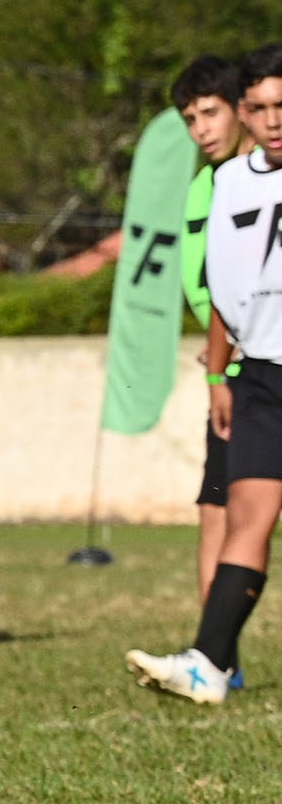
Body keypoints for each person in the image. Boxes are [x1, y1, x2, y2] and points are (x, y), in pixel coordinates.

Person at [131, 42, 282, 705]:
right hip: (260, 377)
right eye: (260, 107)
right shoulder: (231, 183)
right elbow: (223, 286)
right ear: (246, 112)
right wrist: (219, 377)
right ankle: (210, 664)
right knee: (244, 513)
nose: (272, 119)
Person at [172, 55, 246, 627]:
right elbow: (209, 279)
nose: (201, 131)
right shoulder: (205, 187)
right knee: (216, 508)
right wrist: (219, 346)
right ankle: (217, 655)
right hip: (234, 380)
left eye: (210, 114)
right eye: (191, 120)